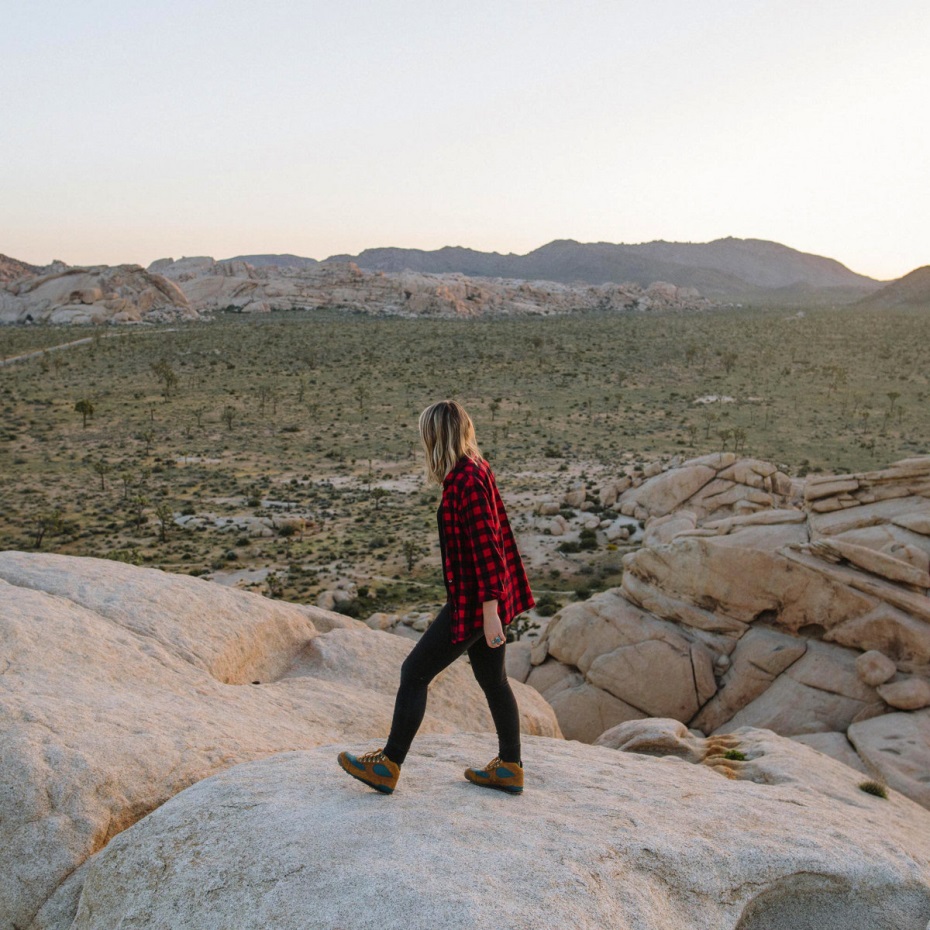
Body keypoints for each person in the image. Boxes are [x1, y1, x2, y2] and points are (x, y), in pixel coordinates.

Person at [338, 399, 535, 795]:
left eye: (425, 432)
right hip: (481, 599)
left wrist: (490, 613)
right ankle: (509, 767)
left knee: (414, 672)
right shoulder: (474, 469)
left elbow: (489, 549)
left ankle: (388, 764)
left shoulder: (465, 480)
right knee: (492, 679)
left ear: (436, 435)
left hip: (476, 602)